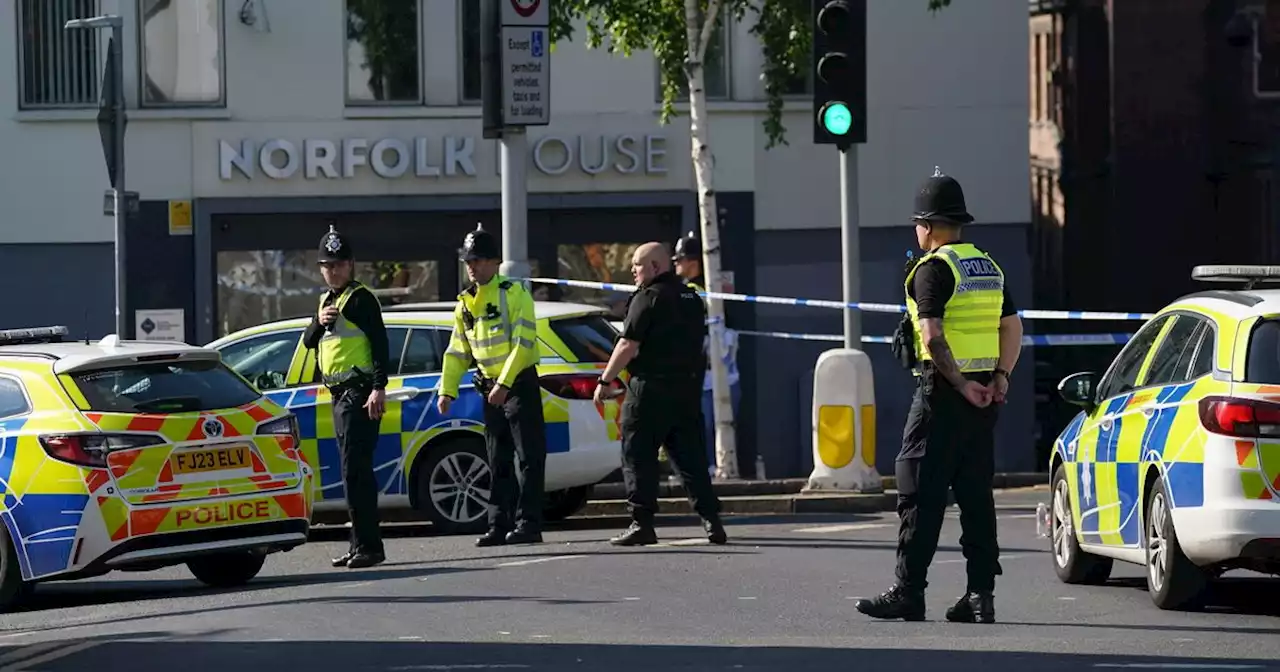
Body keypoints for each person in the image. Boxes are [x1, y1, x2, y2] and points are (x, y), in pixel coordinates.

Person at [855, 168, 1023, 623]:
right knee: (975, 495)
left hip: (943, 395)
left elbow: (931, 334)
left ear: (926, 226)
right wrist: (1000, 377)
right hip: (987, 396)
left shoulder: (932, 269)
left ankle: (909, 591)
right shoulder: (987, 266)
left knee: (917, 490)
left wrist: (959, 382)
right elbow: (1012, 326)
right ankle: (980, 596)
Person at [593, 242, 727, 546]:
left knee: (638, 455)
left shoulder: (647, 297)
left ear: (655, 267)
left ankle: (642, 523)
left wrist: (605, 380)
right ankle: (711, 521)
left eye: (638, 266)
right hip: (686, 390)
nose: (633, 272)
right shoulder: (692, 297)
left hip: (650, 390)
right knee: (691, 458)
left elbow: (628, 344)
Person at [437, 224, 547, 548]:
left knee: (529, 458)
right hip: (490, 388)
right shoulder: (465, 303)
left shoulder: (515, 293)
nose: (473, 267)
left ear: (496, 262)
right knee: (497, 460)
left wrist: (505, 383)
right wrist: (447, 389)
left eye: (480, 260)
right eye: (469, 261)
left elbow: (524, 342)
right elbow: (457, 351)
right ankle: (498, 524)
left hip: (518, 384)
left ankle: (529, 524)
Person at [303, 224, 389, 570]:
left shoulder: (361, 299)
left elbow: (381, 345)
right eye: (326, 265)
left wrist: (379, 388)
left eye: (338, 264)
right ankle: (358, 545)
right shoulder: (325, 301)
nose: (332, 270)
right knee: (349, 472)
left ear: (351, 264)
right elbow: (309, 342)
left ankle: (370, 546)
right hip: (337, 396)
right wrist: (318, 321)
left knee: (357, 472)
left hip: (359, 392)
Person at [672, 232, 742, 479]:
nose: (675, 264)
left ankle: (708, 468)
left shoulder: (692, 291)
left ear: (692, 261)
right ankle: (714, 466)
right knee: (715, 428)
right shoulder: (711, 289)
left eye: (679, 259)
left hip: (708, 376)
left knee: (704, 427)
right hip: (724, 375)